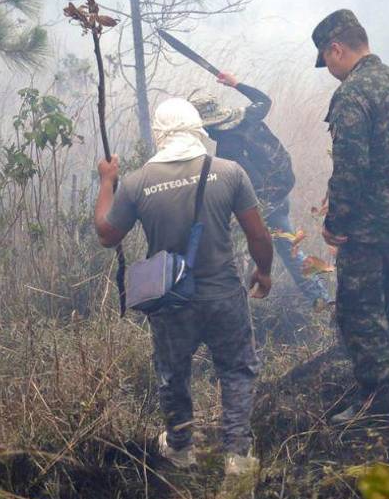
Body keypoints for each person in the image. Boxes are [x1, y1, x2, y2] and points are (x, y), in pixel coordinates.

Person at [94, 98, 274, 475]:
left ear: (160, 135)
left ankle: (179, 449)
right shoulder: (228, 172)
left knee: (173, 372)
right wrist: (264, 271)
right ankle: (238, 458)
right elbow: (257, 233)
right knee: (237, 370)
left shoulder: (137, 182)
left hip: (171, 298)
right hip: (224, 293)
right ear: (197, 129)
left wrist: (106, 182)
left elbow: (107, 234)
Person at [313, 9, 389, 421]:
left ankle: (376, 401)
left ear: (336, 50)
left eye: (326, 60)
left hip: (367, 230)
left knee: (362, 310)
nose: (328, 69)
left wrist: (336, 222)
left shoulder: (352, 94)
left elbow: (351, 166)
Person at [190, 72, 329, 303]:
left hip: (266, 201)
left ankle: (322, 301)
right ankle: (320, 299)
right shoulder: (246, 116)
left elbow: (242, 182)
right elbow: (265, 100)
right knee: (289, 249)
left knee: (287, 252)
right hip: (280, 192)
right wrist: (236, 84)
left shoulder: (227, 145)